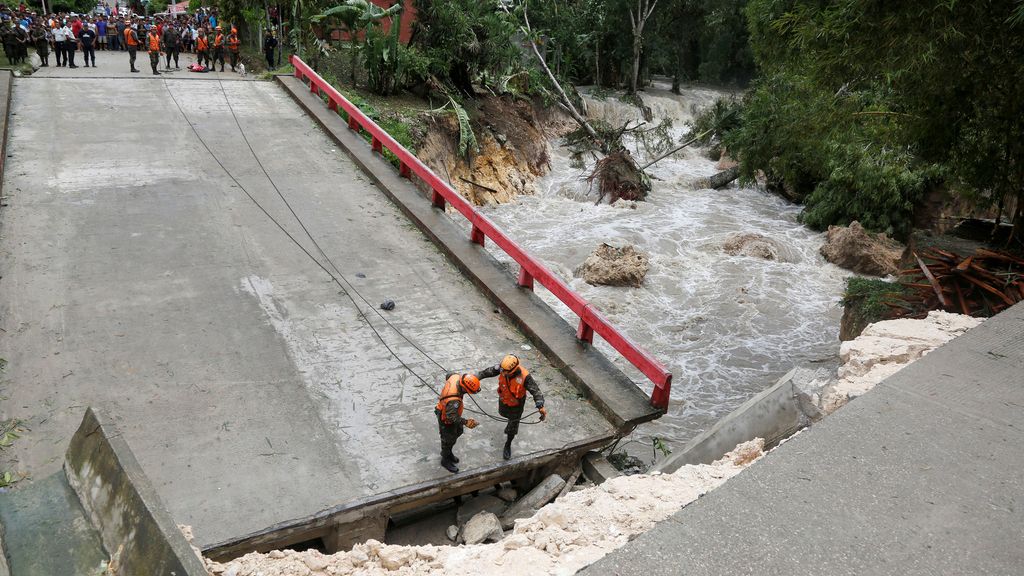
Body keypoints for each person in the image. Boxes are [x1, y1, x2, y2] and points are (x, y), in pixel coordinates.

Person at [476, 355, 547, 460]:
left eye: (505, 372)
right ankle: (509, 423)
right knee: (503, 413)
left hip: (517, 405)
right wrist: (474, 377)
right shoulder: (502, 368)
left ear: (513, 370)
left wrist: (540, 405)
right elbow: (486, 372)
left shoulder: (525, 376)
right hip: (504, 399)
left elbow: (536, 391)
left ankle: (508, 444)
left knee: (512, 426)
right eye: (502, 370)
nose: (503, 373)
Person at [435, 373, 481, 473]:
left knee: (458, 432)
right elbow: (450, 417)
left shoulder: (455, 377)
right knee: (448, 439)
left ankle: (449, 452)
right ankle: (445, 459)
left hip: (450, 411)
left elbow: (448, 375)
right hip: (445, 418)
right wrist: (465, 422)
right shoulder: (454, 401)